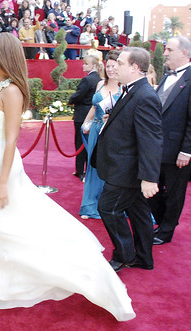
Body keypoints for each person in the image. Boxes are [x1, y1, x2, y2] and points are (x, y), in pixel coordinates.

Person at [0, 33, 135, 322]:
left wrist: (1, 182)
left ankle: (0, 281)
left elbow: (10, 140)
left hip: (1, 166)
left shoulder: (11, 91)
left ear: (1, 55)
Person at [96, 47, 163, 272]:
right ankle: (143, 257)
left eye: (121, 64)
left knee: (108, 208)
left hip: (126, 170)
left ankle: (124, 254)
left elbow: (151, 140)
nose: (115, 67)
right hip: (124, 167)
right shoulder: (133, 90)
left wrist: (149, 178)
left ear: (135, 68)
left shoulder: (144, 95)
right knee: (139, 212)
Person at [148, 36, 191, 245]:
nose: (165, 53)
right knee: (150, 189)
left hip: (177, 151)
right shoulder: (166, 77)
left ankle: (166, 230)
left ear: (184, 52)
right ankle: (163, 221)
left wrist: (187, 151)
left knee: (175, 193)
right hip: (156, 148)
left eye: (170, 50)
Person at [79, 51, 121, 219]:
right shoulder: (100, 84)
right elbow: (94, 107)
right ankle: (90, 205)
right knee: (92, 166)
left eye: (114, 66)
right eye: (108, 66)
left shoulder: (124, 86)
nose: (110, 69)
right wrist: (85, 123)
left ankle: (106, 203)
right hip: (96, 130)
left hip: (112, 133)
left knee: (108, 168)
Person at [68, 55, 102, 181]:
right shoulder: (99, 79)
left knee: (80, 143)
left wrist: (70, 100)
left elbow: (78, 95)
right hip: (93, 114)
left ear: (93, 65)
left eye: (86, 63)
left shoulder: (87, 80)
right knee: (90, 142)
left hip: (82, 113)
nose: (83, 65)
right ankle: (88, 170)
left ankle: (80, 171)